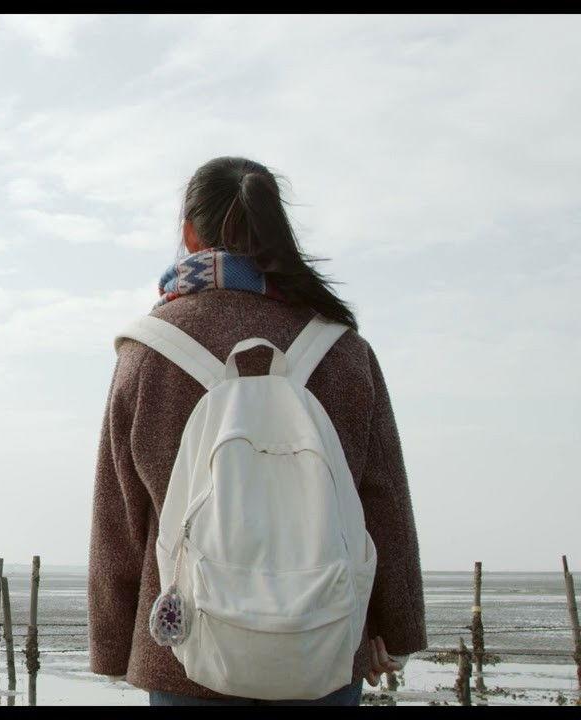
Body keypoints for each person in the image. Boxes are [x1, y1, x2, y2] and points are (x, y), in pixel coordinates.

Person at [88, 157, 426, 706]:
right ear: (277, 230)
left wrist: (112, 644)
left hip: (183, 648)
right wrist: (396, 627)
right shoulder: (343, 349)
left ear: (189, 234)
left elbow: (120, 514)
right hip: (323, 641)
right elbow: (383, 498)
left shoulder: (147, 352)